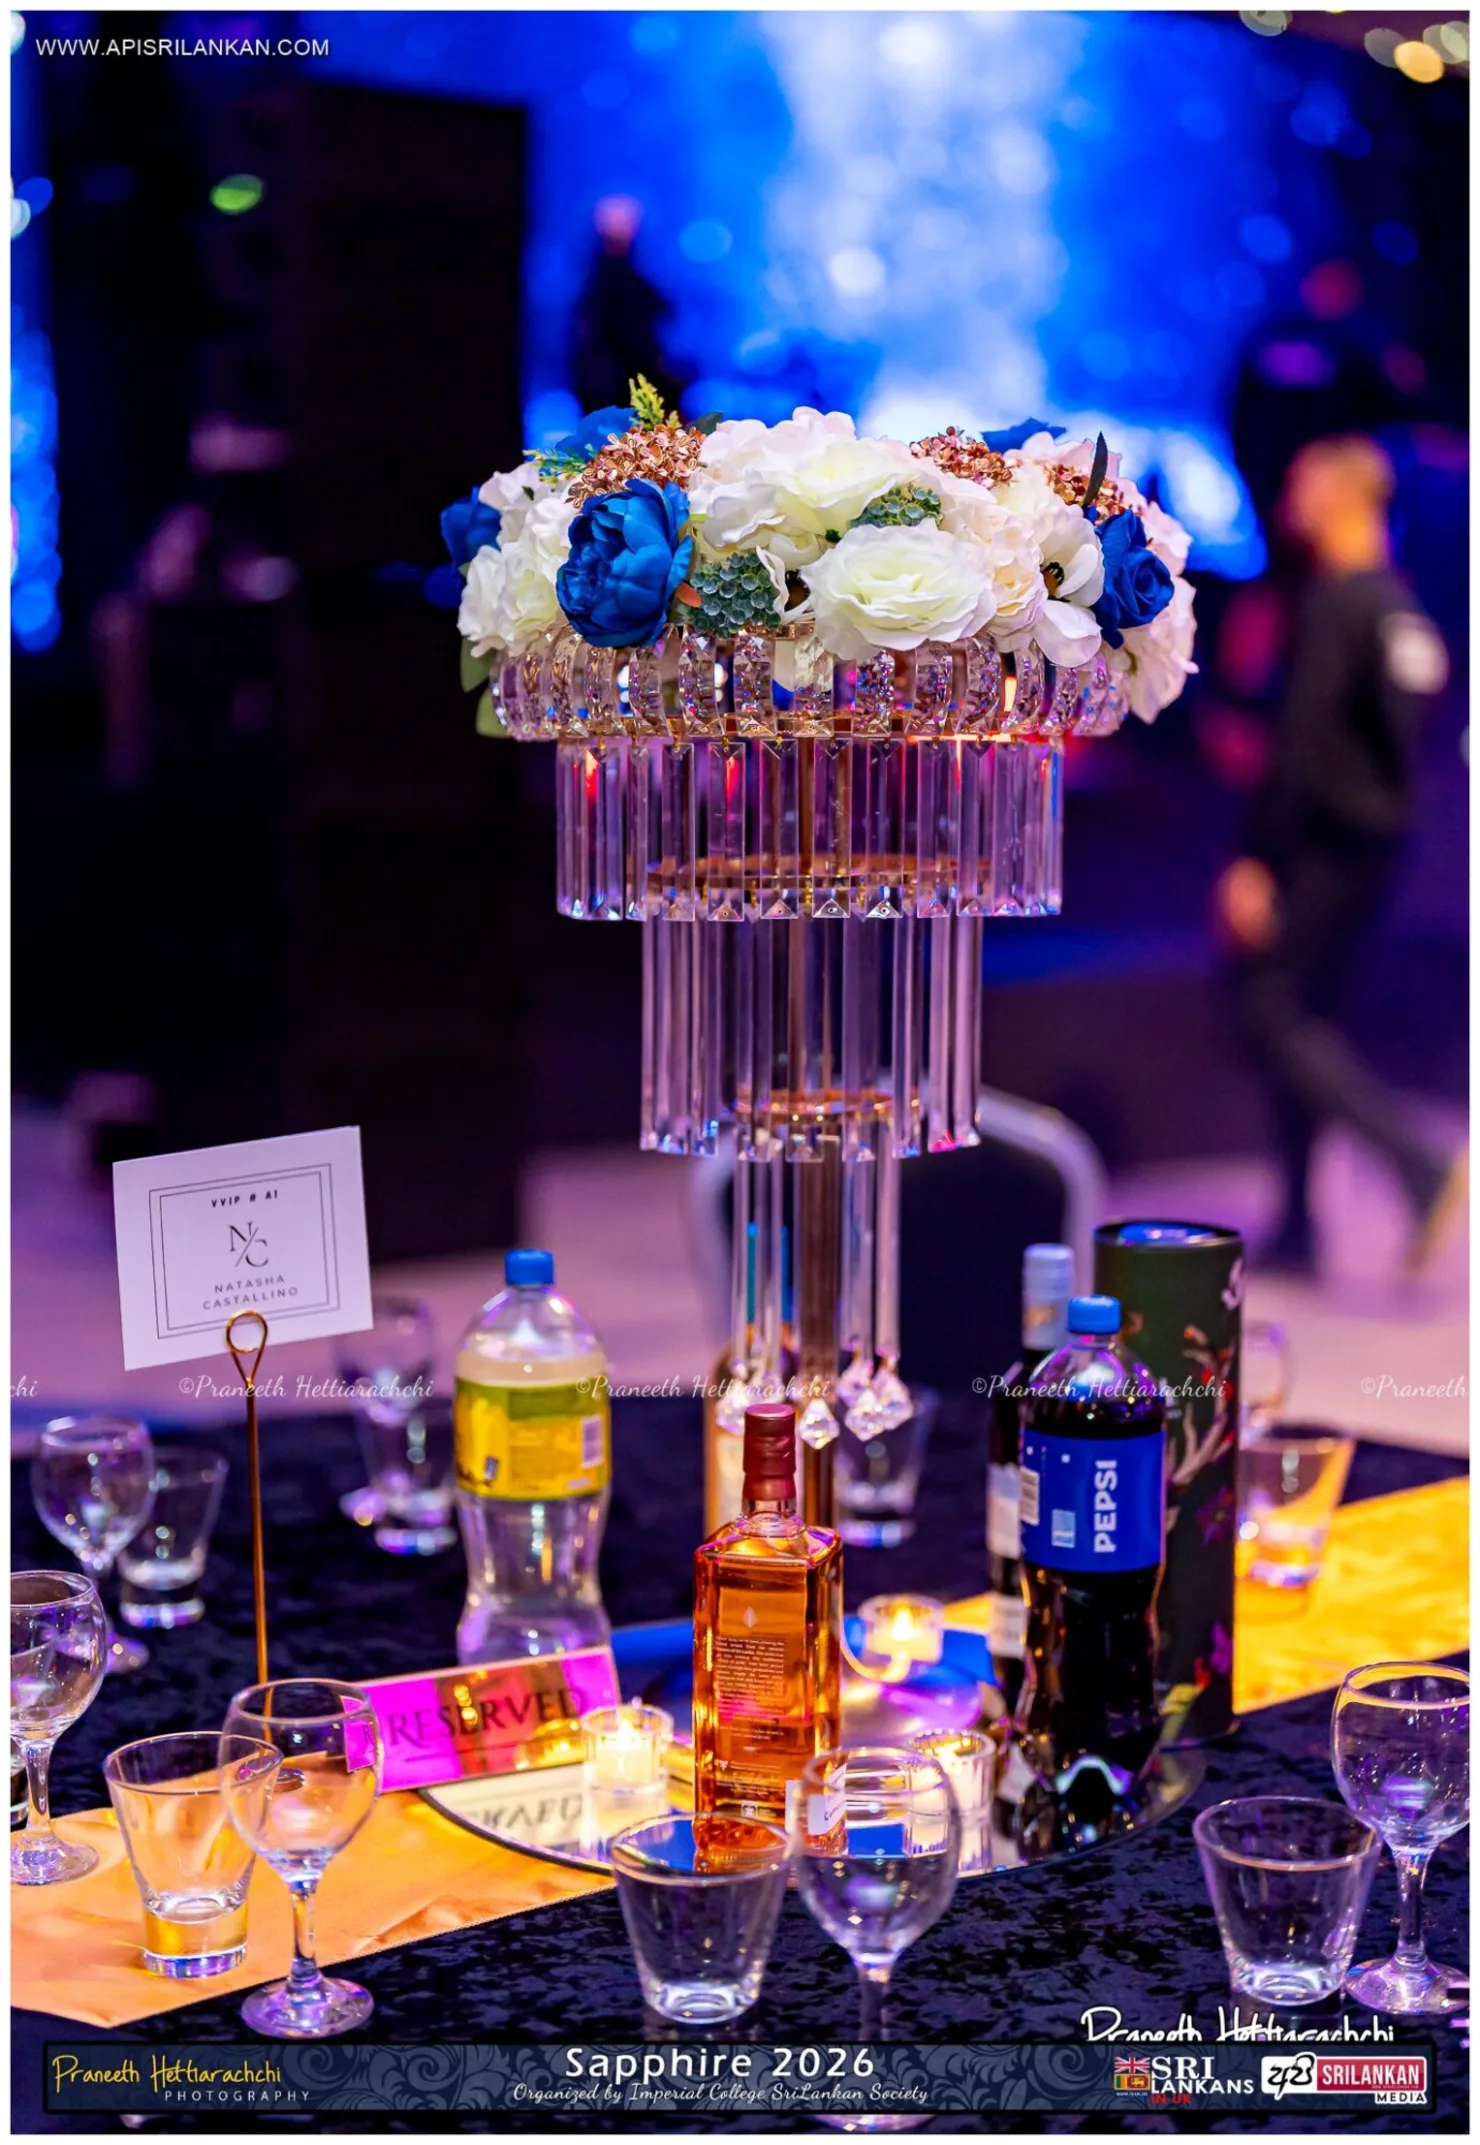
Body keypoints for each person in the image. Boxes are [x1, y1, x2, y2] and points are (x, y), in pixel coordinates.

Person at [1214, 435, 1463, 1273]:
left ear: (1347, 496)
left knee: (1268, 1008)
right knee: (1308, 1014)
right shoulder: (1399, 607)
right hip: (1378, 846)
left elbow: (1304, 743)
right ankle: (1298, 1225)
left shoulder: (1335, 603)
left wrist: (1257, 857)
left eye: (1305, 481)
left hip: (1318, 843)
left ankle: (1419, 1164)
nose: (1291, 495)